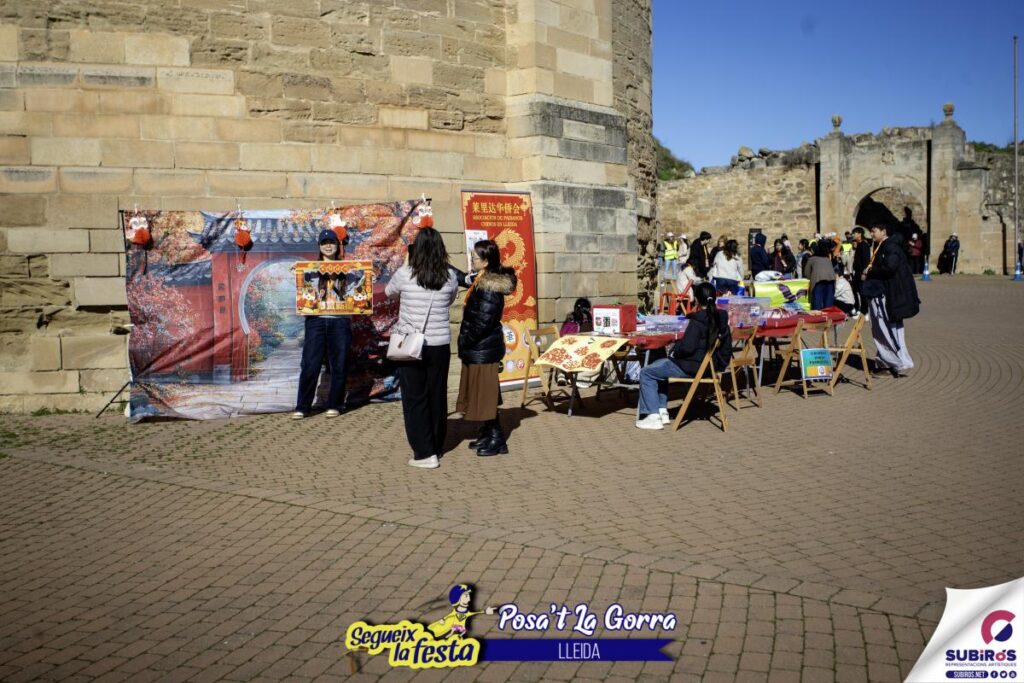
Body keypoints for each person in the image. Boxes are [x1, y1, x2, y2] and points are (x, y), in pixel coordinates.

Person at [385, 227, 460, 469]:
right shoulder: (449, 276)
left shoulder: (405, 273)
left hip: (411, 344)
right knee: (437, 395)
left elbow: (389, 292)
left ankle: (424, 452)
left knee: (415, 398)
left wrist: (406, 263)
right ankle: (436, 445)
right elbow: (450, 299)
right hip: (440, 344)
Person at [635, 282, 732, 430]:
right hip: (710, 366)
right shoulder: (721, 318)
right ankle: (662, 410)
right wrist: (720, 365)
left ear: (696, 300)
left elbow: (687, 348)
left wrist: (675, 351)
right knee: (659, 365)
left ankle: (652, 415)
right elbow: (727, 347)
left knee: (647, 372)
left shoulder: (697, 321)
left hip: (692, 365)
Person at [456, 240, 517, 457]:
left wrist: (465, 340)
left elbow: (483, 321)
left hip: (483, 347)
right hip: (480, 348)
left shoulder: (489, 286)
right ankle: (489, 432)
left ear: (485, 262)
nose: (471, 261)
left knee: (486, 395)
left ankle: (497, 439)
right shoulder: (481, 279)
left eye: (474, 258)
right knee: (483, 394)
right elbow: (462, 278)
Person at [292, 229, 352, 420]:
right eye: (324, 242)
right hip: (315, 322)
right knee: (310, 364)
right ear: (319, 246)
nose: (328, 246)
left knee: (339, 365)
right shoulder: (310, 270)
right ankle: (303, 406)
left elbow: (360, 292)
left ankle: (335, 404)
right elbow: (303, 294)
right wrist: (296, 274)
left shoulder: (349, 270)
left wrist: (369, 277)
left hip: (340, 322)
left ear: (337, 245)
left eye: (332, 242)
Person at [863, 223, 920, 378]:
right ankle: (889, 362)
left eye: (874, 231)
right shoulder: (884, 245)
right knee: (888, 330)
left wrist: (870, 271)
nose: (871, 234)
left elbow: (890, 268)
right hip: (887, 294)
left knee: (885, 329)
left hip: (887, 296)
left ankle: (890, 364)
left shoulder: (890, 246)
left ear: (883, 231)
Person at [804, 239, 837, 310]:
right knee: (828, 305)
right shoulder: (827, 259)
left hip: (818, 282)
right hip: (831, 282)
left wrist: (812, 277)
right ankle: (828, 316)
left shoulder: (811, 259)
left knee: (817, 304)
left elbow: (806, 273)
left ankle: (819, 316)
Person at [851, 227, 872, 312]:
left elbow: (866, 260)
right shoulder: (859, 245)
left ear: (859, 234)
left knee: (862, 291)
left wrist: (864, 273)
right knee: (855, 290)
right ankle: (857, 307)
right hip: (857, 272)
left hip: (861, 273)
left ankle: (864, 310)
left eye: (854, 233)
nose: (853, 235)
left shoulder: (864, 245)